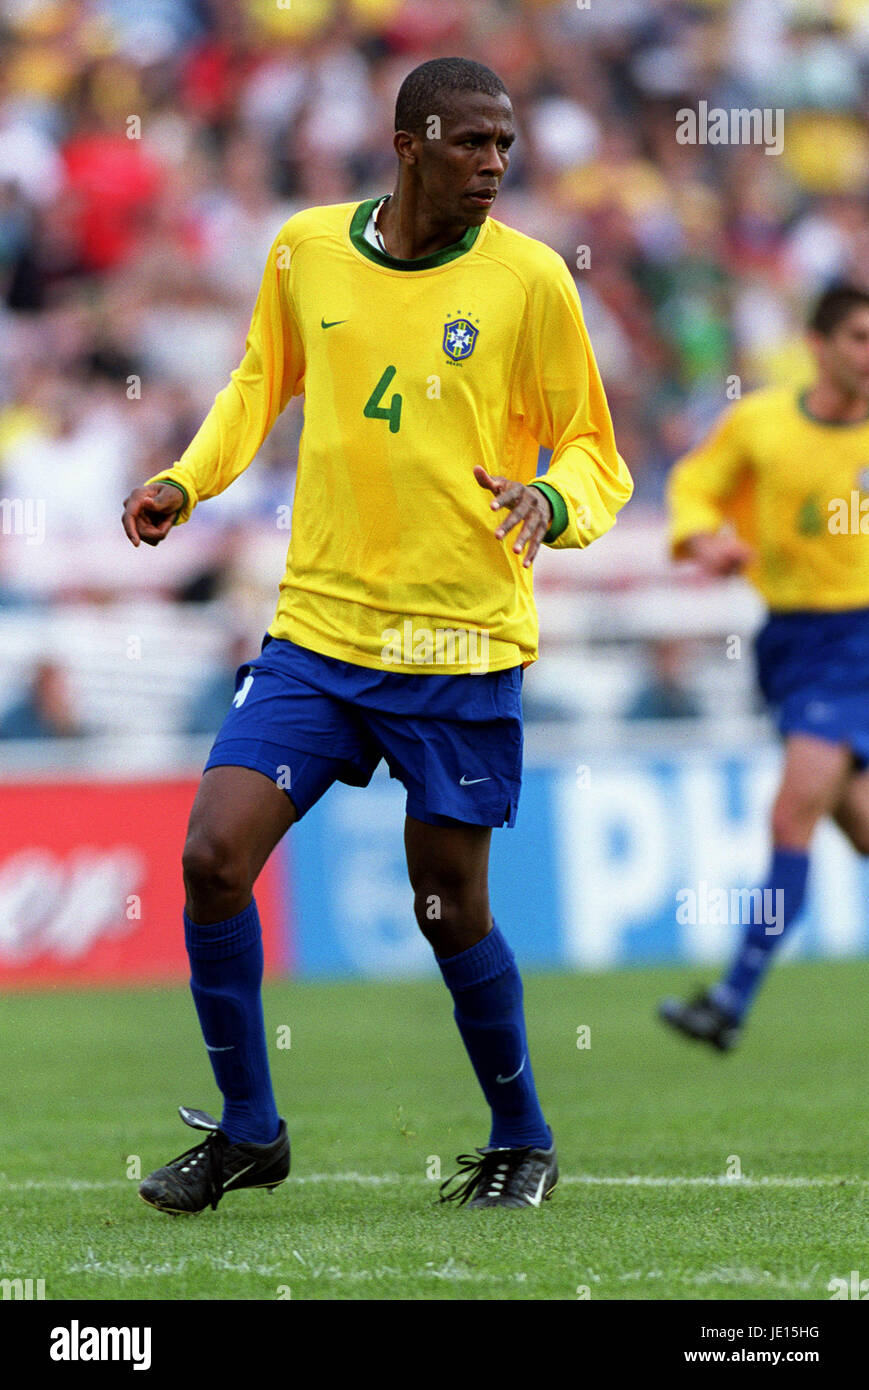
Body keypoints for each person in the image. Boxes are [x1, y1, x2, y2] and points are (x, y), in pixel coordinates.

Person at [122, 57, 632, 1212]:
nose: (494, 164)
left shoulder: (531, 281)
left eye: (505, 144)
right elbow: (258, 384)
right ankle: (251, 1129)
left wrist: (553, 504)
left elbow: (595, 451)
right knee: (210, 856)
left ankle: (523, 1137)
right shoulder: (305, 248)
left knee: (445, 900)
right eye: (471, 142)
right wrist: (184, 480)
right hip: (319, 626)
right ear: (409, 143)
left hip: (458, 642)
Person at [659, 285, 869, 1052]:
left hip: (858, 643)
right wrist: (699, 540)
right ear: (816, 346)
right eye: (857, 338)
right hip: (793, 642)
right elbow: (692, 485)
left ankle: (728, 999)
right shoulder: (761, 424)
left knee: (790, 816)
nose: (868, 355)